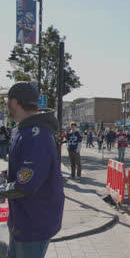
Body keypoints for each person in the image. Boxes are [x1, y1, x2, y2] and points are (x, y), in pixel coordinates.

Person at [0, 82, 64, 257]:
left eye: (7, 102)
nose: (7, 107)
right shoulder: (25, 131)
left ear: (14, 102)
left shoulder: (35, 135)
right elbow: (27, 171)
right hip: (23, 219)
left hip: (33, 221)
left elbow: (25, 185)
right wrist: (7, 175)